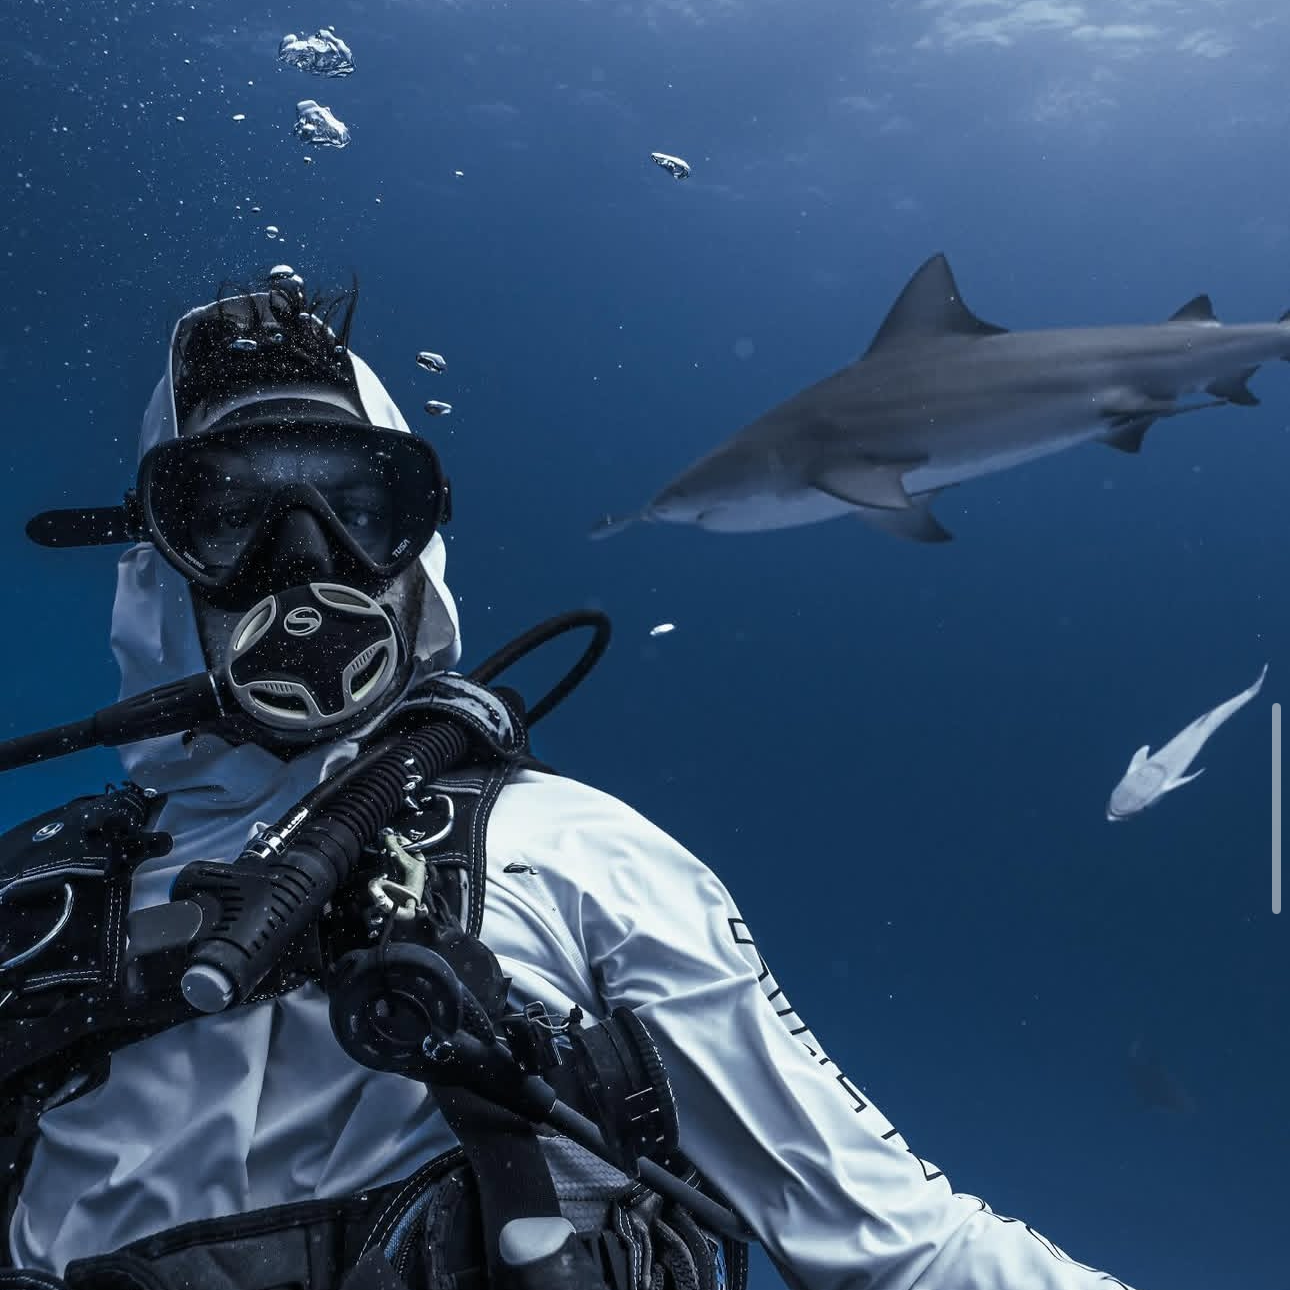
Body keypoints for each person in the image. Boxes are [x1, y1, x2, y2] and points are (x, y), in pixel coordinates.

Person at [0, 272, 1138, 1290]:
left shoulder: (574, 855)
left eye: (360, 509)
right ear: (153, 564)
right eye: (225, 516)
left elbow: (906, 1251)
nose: (301, 566)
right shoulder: (32, 907)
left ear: (419, 550)